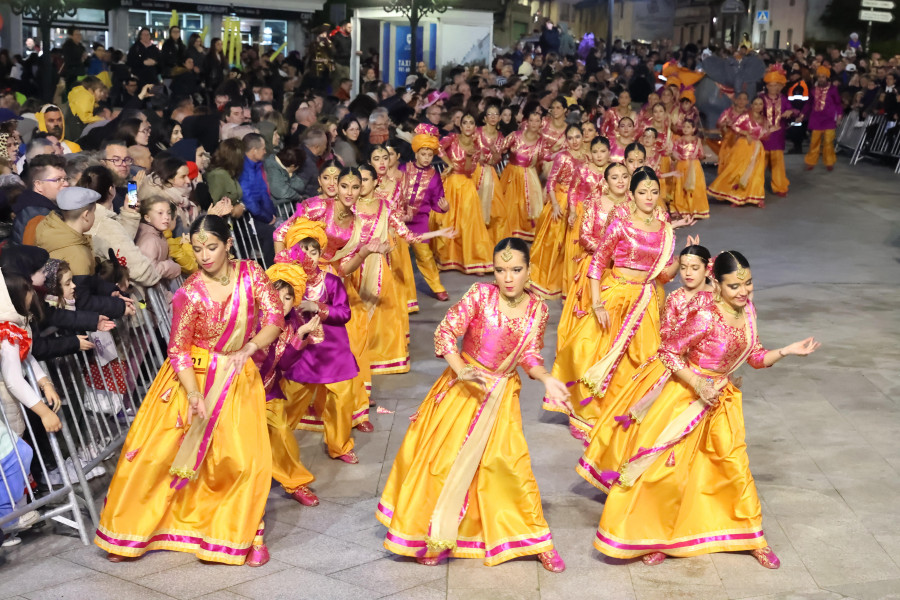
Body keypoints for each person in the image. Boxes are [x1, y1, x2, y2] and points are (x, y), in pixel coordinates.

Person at [579, 251, 819, 569]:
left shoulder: (748, 311)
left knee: (734, 469)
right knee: (664, 475)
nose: (744, 291)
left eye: (748, 284)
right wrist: (699, 384)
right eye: (735, 285)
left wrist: (787, 351)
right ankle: (654, 538)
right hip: (685, 397)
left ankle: (752, 537)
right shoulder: (706, 315)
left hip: (722, 402)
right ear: (717, 285)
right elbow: (669, 351)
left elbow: (756, 356)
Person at [96, 215, 285, 566]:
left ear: (229, 244)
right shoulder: (190, 292)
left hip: (237, 375)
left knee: (242, 460)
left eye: (211, 247)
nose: (204, 256)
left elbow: (275, 318)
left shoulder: (252, 275)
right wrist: (195, 395)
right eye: (197, 249)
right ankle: (132, 530)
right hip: (191, 379)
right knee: (159, 458)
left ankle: (245, 531)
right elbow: (178, 349)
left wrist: (249, 348)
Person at [377, 238, 570, 572]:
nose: (508, 277)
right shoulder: (481, 295)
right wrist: (461, 369)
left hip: (500, 396)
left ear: (529, 271)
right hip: (464, 389)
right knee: (443, 464)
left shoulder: (538, 309)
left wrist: (546, 377)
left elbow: (529, 355)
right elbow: (445, 333)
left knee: (510, 465)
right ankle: (438, 535)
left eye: (516, 270)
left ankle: (536, 538)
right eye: (500, 270)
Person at [549, 168, 677, 440]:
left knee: (642, 360)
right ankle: (586, 414)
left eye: (654, 192)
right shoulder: (621, 224)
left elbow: (665, 273)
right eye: (643, 192)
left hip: (644, 299)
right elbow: (596, 265)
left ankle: (624, 415)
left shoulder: (665, 229)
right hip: (615, 295)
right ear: (632, 195)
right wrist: (597, 305)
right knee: (587, 351)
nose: (649, 197)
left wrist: (685, 263)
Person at [270, 233, 361, 463]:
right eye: (302, 251)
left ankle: (339, 446)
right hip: (302, 353)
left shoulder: (332, 282)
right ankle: (271, 446)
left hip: (333, 353)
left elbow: (345, 313)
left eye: (313, 251)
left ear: (321, 254)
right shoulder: (287, 285)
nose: (308, 257)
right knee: (287, 403)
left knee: (341, 402)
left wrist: (317, 306)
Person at [253, 276, 320, 507]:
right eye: (276, 295)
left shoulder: (291, 323)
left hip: (268, 389)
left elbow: (283, 364)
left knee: (281, 431)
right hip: (236, 389)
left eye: (288, 297)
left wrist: (300, 335)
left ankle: (295, 482)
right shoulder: (248, 317)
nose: (282, 302)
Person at [78, 165, 164, 287]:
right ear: (111, 190)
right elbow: (140, 270)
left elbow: (121, 240)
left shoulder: (86, 216)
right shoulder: (104, 224)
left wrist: (129, 213)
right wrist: (159, 276)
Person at [392, 124, 450, 301]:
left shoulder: (434, 175)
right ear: (416, 153)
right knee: (396, 257)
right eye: (423, 154)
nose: (426, 158)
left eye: (429, 155)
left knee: (425, 256)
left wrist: (444, 207)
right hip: (399, 220)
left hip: (420, 221)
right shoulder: (403, 169)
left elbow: (438, 200)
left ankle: (437, 286)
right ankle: (397, 291)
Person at [530, 124, 584, 299]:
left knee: (573, 245)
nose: (575, 141)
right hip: (560, 201)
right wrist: (554, 205)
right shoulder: (562, 157)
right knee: (555, 244)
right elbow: (551, 182)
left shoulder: (587, 157)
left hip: (579, 203)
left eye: (578, 137)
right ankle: (549, 281)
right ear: (566, 141)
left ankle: (569, 283)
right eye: (571, 138)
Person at [433, 113, 491, 274]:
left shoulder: (476, 147)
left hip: (466, 184)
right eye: (465, 122)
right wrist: (449, 164)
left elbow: (469, 170)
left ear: (474, 127)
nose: (467, 125)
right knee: (449, 220)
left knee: (468, 222)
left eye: (471, 123)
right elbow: (437, 147)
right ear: (460, 125)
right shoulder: (452, 138)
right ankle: (447, 259)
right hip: (451, 183)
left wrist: (469, 157)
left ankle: (473, 261)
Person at [495, 106, 548, 242]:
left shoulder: (542, 142)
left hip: (530, 176)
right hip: (511, 174)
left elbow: (546, 160)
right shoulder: (515, 136)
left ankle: (525, 235)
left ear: (541, 123)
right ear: (527, 122)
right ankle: (508, 234)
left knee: (527, 206)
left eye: (537, 121)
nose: (534, 123)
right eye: (532, 120)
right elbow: (499, 149)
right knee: (510, 205)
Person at [707, 97, 770, 208]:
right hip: (743, 146)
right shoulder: (746, 116)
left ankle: (757, 197)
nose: (758, 106)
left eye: (760, 104)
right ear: (752, 105)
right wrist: (745, 133)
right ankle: (736, 196)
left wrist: (765, 134)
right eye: (756, 104)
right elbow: (734, 126)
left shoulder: (764, 120)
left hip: (757, 148)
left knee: (756, 174)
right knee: (738, 171)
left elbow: (765, 135)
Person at [34, 187, 99, 277]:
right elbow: (81, 289)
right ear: (86, 215)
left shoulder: (49, 230)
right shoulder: (78, 255)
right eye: (94, 212)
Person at [12, 154, 68, 245]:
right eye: (57, 180)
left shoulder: (44, 209)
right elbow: (32, 255)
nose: (66, 184)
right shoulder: (38, 216)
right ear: (38, 184)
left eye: (65, 179)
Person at [238, 133, 276, 265]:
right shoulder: (244, 169)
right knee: (271, 238)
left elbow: (263, 193)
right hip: (254, 218)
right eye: (263, 148)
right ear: (254, 150)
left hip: (265, 214)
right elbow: (248, 198)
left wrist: (272, 214)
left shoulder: (258, 165)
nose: (265, 151)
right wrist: (267, 217)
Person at [759, 66, 795, 197]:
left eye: (775, 85)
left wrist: (790, 111)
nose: (773, 88)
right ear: (767, 86)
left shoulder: (783, 99)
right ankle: (755, 188)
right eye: (770, 85)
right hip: (763, 135)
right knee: (760, 164)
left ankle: (779, 186)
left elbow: (793, 111)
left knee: (777, 163)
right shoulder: (761, 98)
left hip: (778, 135)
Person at [800, 66, 843, 172]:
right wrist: (802, 115)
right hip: (816, 120)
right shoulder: (813, 90)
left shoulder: (833, 89)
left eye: (823, 77)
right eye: (819, 77)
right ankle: (811, 162)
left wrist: (839, 117)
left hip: (829, 120)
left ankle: (829, 162)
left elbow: (838, 104)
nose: (821, 79)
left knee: (828, 142)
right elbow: (809, 104)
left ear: (827, 78)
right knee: (814, 142)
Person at [134, 196, 184, 282]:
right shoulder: (149, 240)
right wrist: (174, 267)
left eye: (168, 213)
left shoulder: (159, 235)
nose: (167, 217)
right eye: (160, 213)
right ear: (147, 217)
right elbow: (149, 271)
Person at [669, 119, 709, 219]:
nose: (685, 129)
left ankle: (696, 209)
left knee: (695, 187)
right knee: (681, 187)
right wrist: (675, 155)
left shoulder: (697, 140)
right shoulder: (678, 140)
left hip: (694, 167)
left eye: (688, 127)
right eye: (684, 127)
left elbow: (701, 154)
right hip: (681, 166)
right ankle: (683, 209)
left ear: (693, 129)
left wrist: (703, 156)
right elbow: (674, 153)